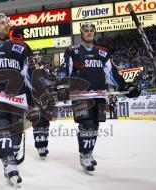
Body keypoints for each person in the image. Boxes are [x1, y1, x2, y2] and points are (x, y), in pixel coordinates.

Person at [0, 13, 53, 185]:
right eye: (2, 23)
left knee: (15, 135)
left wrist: (40, 94)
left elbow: (30, 75)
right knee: (1, 126)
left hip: (17, 98)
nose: (6, 26)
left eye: (7, 23)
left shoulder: (22, 47)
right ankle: (9, 164)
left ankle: (11, 155)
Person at [58, 22, 141, 175]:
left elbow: (112, 74)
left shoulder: (102, 52)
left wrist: (126, 87)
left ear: (94, 33)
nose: (89, 33)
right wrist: (61, 86)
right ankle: (85, 155)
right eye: (86, 31)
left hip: (99, 95)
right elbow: (64, 70)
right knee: (87, 124)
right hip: (80, 95)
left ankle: (88, 150)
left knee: (95, 126)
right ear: (81, 33)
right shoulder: (72, 51)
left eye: (91, 31)